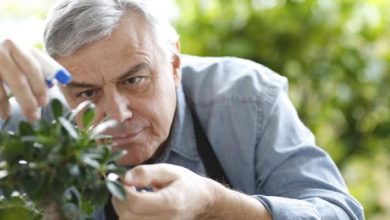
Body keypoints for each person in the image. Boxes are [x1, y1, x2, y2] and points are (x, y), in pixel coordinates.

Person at [0, 0, 364, 219]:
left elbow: (342, 214)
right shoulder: (36, 121)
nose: (116, 113)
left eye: (134, 80)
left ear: (174, 62)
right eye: (88, 93)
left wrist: (216, 206)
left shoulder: (246, 99)